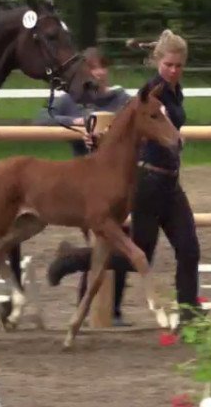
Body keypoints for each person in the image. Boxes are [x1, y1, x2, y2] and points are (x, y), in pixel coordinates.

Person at [46, 29, 203, 327]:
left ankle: (189, 315)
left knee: (189, 248)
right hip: (147, 182)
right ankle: (73, 259)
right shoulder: (150, 94)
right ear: (158, 62)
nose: (173, 71)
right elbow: (124, 126)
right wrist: (100, 137)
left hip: (170, 181)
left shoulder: (174, 90)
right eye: (168, 65)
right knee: (137, 256)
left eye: (179, 66)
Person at [35, 46, 132, 325]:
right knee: (112, 243)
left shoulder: (120, 99)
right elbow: (43, 117)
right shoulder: (72, 101)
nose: (98, 73)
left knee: (119, 242)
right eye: (92, 68)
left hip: (116, 185)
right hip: (83, 187)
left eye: (102, 67)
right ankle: (94, 309)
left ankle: (102, 301)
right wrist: (75, 124)